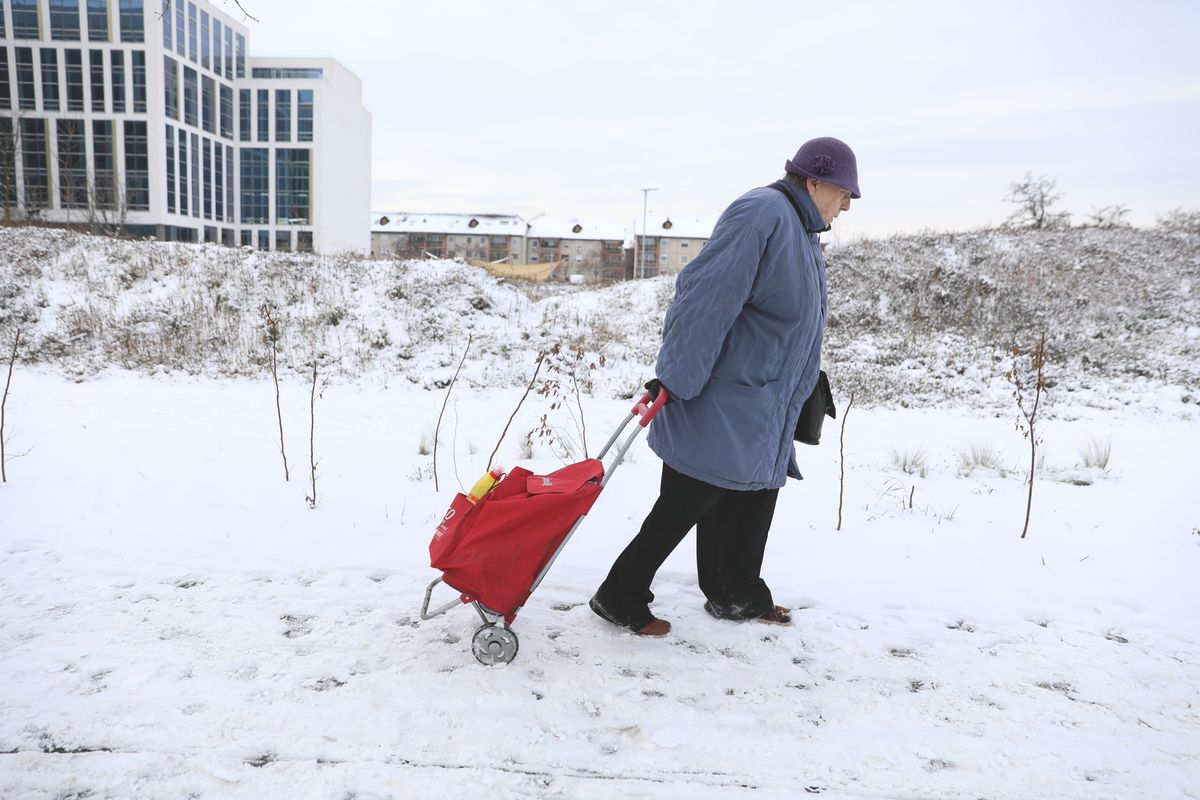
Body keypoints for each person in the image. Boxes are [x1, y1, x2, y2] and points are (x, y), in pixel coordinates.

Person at [590, 137, 860, 637]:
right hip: (722, 393)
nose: (845, 206)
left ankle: (736, 595)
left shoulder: (800, 230)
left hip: (765, 397)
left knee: (753, 494)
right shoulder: (762, 214)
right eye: (843, 193)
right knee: (687, 500)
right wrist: (678, 376)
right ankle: (620, 593)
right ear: (814, 179)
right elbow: (705, 299)